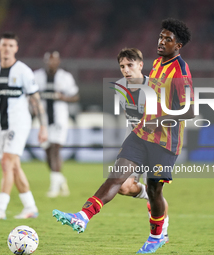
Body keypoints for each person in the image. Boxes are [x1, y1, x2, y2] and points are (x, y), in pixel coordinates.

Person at [53, 18, 193, 254]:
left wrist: (157, 121)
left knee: (154, 190)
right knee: (116, 177)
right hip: (140, 134)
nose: (161, 42)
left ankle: (156, 236)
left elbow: (188, 110)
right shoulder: (158, 63)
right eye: (160, 36)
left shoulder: (180, 71)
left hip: (165, 141)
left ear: (178, 45)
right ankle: (83, 216)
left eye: (168, 39)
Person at [0, 32, 47, 220]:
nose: (7, 48)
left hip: (19, 123)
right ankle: (30, 207)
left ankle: (0, 209)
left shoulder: (23, 71)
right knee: (14, 167)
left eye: (11, 45)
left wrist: (43, 126)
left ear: (16, 49)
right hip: (1, 125)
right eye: (4, 45)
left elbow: (36, 100)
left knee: (6, 162)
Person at [114, 47, 169, 243]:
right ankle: (148, 195)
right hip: (136, 143)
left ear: (140, 65)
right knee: (123, 187)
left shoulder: (155, 87)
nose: (126, 70)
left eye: (130, 65)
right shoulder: (120, 88)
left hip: (157, 145)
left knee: (157, 192)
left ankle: (162, 231)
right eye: (122, 66)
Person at [33, 51, 79, 198]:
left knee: (55, 149)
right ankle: (60, 179)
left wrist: (62, 97)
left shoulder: (65, 77)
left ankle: (54, 187)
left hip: (59, 119)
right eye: (49, 60)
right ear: (45, 61)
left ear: (58, 62)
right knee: (47, 151)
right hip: (43, 120)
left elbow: (75, 96)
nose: (51, 63)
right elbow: (29, 96)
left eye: (54, 60)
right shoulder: (37, 76)